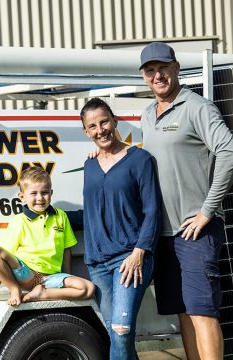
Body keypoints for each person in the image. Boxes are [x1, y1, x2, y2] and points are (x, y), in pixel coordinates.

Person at [139, 42, 233, 360]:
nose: (158, 75)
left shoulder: (198, 107)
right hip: (164, 235)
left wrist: (206, 211)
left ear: (176, 68)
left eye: (163, 68)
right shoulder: (147, 115)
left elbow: (230, 153)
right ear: (144, 77)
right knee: (182, 312)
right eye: (150, 70)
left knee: (202, 312)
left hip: (196, 232)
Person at [80, 98, 161, 360]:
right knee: (116, 334)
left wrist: (140, 252)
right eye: (92, 126)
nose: (100, 130)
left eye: (104, 122)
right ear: (86, 132)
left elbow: (152, 210)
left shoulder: (140, 159)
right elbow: (93, 209)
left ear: (115, 122)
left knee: (122, 329)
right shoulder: (89, 164)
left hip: (129, 258)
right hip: (98, 263)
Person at [0, 166, 95, 306]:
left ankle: (43, 294)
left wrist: (67, 276)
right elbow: (7, 253)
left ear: (51, 193)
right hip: (26, 274)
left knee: (88, 289)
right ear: (22, 197)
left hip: (51, 278)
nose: (40, 198)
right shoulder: (19, 221)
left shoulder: (61, 216)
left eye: (44, 193)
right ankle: (15, 290)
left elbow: (66, 251)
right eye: (34, 193)